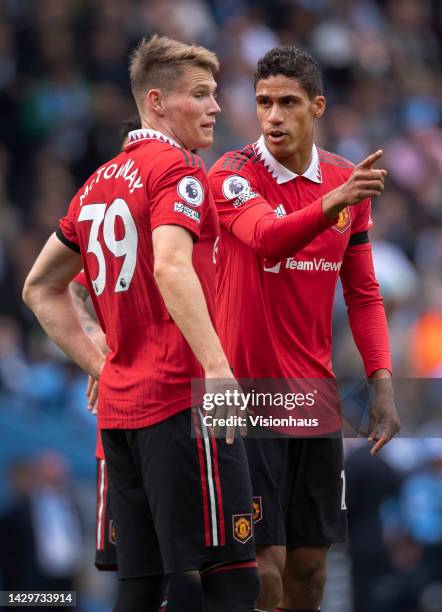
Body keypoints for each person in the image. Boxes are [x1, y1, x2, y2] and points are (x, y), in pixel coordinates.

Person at [23, 35, 258, 612]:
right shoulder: (177, 170)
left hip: (121, 416)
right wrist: (218, 368)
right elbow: (172, 266)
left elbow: (41, 287)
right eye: (200, 94)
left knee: (141, 579)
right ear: (156, 102)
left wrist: (104, 363)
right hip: (183, 399)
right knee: (225, 574)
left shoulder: (97, 184)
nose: (216, 107)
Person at [208, 46, 401, 612]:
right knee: (262, 568)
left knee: (311, 569)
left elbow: (363, 293)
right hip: (239, 394)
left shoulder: (346, 178)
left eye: (288, 103)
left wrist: (381, 380)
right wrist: (334, 201)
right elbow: (269, 237)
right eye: (263, 102)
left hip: (313, 396)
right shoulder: (232, 174)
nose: (273, 116)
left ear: (316, 106)